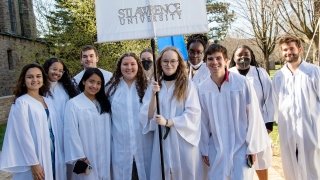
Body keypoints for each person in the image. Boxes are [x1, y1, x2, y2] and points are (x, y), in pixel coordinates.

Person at [198, 44, 269, 180]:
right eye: (210, 59)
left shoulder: (241, 83)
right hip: (216, 146)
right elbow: (203, 122)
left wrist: (252, 147)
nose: (214, 62)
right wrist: (204, 148)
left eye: (218, 58)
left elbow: (253, 115)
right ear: (206, 63)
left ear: (227, 61)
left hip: (241, 145)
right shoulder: (202, 89)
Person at [140, 47, 202, 180]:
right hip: (161, 140)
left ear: (179, 63)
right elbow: (148, 115)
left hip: (182, 140)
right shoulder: (155, 85)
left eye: (173, 61)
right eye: (165, 61)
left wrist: (169, 122)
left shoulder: (187, 85)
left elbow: (193, 113)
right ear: (160, 63)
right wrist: (153, 94)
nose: (169, 65)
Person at [272, 35, 320, 180]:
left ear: (300, 49)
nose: (288, 52)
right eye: (285, 50)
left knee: (313, 165)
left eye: (291, 48)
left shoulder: (314, 72)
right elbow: (275, 102)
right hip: (288, 129)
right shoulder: (279, 76)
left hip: (310, 128)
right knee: (290, 165)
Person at [0, 63, 57, 180]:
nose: (35, 79)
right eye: (30, 77)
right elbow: (23, 136)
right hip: (35, 155)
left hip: (53, 151)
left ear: (43, 78)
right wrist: (34, 163)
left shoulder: (48, 101)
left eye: (38, 76)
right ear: (23, 80)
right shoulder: (22, 103)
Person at [229, 45, 274, 180]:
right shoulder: (229, 74)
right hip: (237, 127)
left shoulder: (260, 73)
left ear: (251, 56)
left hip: (259, 125)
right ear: (234, 58)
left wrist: (268, 124)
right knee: (240, 164)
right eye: (239, 55)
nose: (243, 57)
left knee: (261, 160)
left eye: (246, 54)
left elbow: (269, 98)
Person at [106, 52, 150, 180]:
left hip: (143, 144)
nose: (129, 67)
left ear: (138, 66)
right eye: (125, 64)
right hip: (121, 147)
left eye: (132, 64)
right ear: (120, 67)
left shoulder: (147, 86)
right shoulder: (111, 88)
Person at [64, 68, 111, 180]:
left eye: (98, 83)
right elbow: (71, 133)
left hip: (104, 154)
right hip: (86, 156)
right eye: (91, 81)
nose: (94, 86)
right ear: (84, 81)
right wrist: (80, 157)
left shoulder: (103, 103)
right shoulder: (73, 104)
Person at [43, 57, 79, 180]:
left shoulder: (66, 88)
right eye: (54, 69)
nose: (57, 73)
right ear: (47, 69)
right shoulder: (40, 89)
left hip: (65, 132)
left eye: (60, 71)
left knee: (66, 164)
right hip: (48, 133)